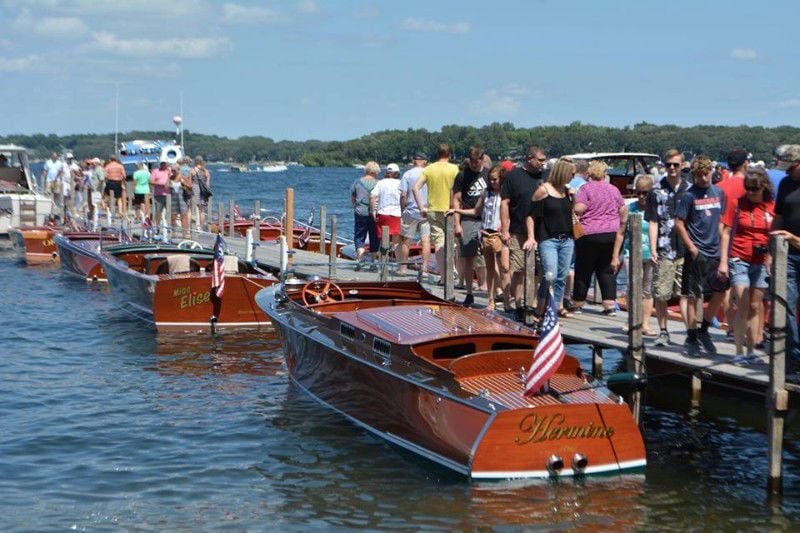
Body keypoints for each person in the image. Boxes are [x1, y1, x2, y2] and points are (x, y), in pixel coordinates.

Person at [675, 155, 728, 357]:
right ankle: (691, 335)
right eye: (699, 175)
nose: (704, 178)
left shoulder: (719, 193)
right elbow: (679, 223)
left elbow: (723, 222)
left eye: (706, 173)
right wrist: (691, 247)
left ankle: (704, 328)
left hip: (715, 250)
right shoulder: (689, 196)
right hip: (697, 251)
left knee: (720, 291)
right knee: (692, 296)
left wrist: (724, 254)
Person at [719, 167, 774, 357]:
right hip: (739, 257)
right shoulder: (737, 203)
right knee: (742, 302)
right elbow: (725, 232)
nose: (751, 193)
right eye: (748, 189)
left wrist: (772, 257)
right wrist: (724, 261)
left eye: (755, 189)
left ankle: (751, 349)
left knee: (755, 306)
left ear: (764, 188)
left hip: (761, 261)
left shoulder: (772, 206)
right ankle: (739, 351)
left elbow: (775, 235)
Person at [449, 165, 510, 311]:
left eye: (495, 179)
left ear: (502, 179)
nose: (492, 182)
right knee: (489, 268)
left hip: (501, 234)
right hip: (487, 233)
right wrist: (457, 210)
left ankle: (507, 300)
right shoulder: (486, 193)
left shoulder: (507, 194)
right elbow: (477, 211)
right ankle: (491, 300)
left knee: (505, 268)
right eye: (490, 179)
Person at [646, 148, 690, 346]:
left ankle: (691, 333)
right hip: (665, 248)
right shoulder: (656, 190)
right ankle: (663, 331)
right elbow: (653, 221)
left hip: (686, 248)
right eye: (669, 164)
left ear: (682, 166)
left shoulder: (690, 189)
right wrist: (653, 249)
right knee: (661, 293)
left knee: (685, 293)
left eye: (676, 165)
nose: (672, 168)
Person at [571, 160, 627, 315]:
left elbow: (579, 209)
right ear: (604, 173)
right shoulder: (614, 189)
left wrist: (573, 200)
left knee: (584, 269)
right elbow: (622, 209)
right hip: (611, 233)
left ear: (590, 173)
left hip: (589, 233)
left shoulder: (585, 189)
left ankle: (578, 302)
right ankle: (609, 305)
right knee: (606, 270)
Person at [500, 145, 547, 320]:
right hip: (519, 230)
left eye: (544, 160)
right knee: (518, 269)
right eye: (540, 160)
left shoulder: (546, 175)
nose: (543, 163)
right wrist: (505, 229)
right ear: (529, 159)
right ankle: (519, 303)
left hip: (542, 231)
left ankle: (534, 303)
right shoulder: (514, 176)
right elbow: (505, 203)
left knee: (538, 271)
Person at [526, 158, 575, 318]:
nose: (573, 177)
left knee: (561, 277)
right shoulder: (544, 190)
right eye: (571, 173)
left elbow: (569, 213)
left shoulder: (567, 191)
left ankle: (552, 311)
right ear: (563, 173)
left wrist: (574, 199)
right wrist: (531, 237)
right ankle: (540, 307)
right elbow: (531, 216)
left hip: (567, 239)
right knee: (550, 275)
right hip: (549, 239)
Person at [613, 174, 656, 335]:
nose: (641, 196)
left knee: (647, 289)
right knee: (632, 287)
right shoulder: (629, 209)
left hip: (650, 255)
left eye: (645, 192)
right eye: (638, 192)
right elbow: (620, 233)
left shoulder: (656, 210)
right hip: (631, 253)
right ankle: (632, 320)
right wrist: (615, 256)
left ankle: (645, 324)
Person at [770, 144, 800, 372]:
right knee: (785, 306)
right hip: (787, 254)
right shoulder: (785, 184)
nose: (787, 173)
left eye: (791, 169)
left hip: (794, 244)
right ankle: (793, 360)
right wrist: (772, 248)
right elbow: (779, 216)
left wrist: (792, 238)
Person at [412, 143, 460, 283]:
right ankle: (453, 269)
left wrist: (421, 207)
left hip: (433, 209)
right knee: (453, 242)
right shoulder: (454, 169)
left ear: (437, 154)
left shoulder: (429, 169)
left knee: (438, 243)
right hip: (450, 209)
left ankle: (444, 277)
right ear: (450, 154)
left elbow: (415, 188)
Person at [718, 149, 750, 332]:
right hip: (743, 242)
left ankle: (730, 326)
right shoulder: (750, 186)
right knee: (747, 289)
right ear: (745, 163)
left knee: (726, 288)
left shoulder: (721, 187)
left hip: (723, 240)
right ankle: (746, 328)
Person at [452, 146, 488, 307]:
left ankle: (493, 291)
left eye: (477, 161)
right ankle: (469, 292)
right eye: (472, 161)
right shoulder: (462, 175)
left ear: (482, 159)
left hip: (486, 219)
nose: (474, 164)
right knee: (468, 257)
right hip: (468, 217)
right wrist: (457, 223)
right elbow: (456, 199)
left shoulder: (488, 174)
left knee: (489, 256)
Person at [398, 153, 430, 275]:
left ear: (414, 161)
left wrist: (402, 209)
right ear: (424, 161)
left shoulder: (408, 174)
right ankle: (425, 269)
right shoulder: (429, 172)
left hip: (411, 210)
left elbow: (403, 195)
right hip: (426, 211)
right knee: (426, 240)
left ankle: (403, 268)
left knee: (406, 240)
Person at [351, 161, 380, 271]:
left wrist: (355, 206)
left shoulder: (357, 182)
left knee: (359, 237)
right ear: (376, 171)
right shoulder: (379, 183)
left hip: (360, 212)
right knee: (374, 237)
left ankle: (360, 260)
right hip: (374, 213)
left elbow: (353, 198)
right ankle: (373, 263)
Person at [370, 163, 402, 258]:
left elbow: (372, 196)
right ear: (397, 173)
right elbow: (405, 196)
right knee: (396, 240)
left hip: (383, 213)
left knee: (384, 240)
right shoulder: (400, 183)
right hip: (397, 214)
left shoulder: (381, 182)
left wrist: (373, 211)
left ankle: (383, 262)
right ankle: (396, 262)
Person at [169, 163, 191, 237]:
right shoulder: (170, 177)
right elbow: (166, 187)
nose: (173, 172)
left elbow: (190, 186)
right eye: (172, 170)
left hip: (182, 199)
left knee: (183, 216)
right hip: (173, 199)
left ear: (178, 170)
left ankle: (184, 233)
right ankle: (173, 232)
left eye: (174, 170)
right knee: (173, 217)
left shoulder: (183, 177)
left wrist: (183, 183)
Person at [189, 156, 211, 227]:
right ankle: (201, 228)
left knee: (192, 209)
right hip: (203, 191)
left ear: (195, 161)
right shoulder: (206, 171)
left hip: (194, 190)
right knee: (201, 211)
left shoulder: (192, 170)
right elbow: (207, 184)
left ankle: (192, 226)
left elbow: (189, 183)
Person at [149, 160, 171, 226]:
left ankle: (169, 227)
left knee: (169, 212)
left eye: (165, 164)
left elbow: (173, 179)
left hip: (168, 195)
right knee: (158, 212)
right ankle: (157, 227)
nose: (163, 165)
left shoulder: (169, 171)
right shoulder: (155, 171)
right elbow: (151, 181)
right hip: (158, 195)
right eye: (162, 164)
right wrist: (159, 183)